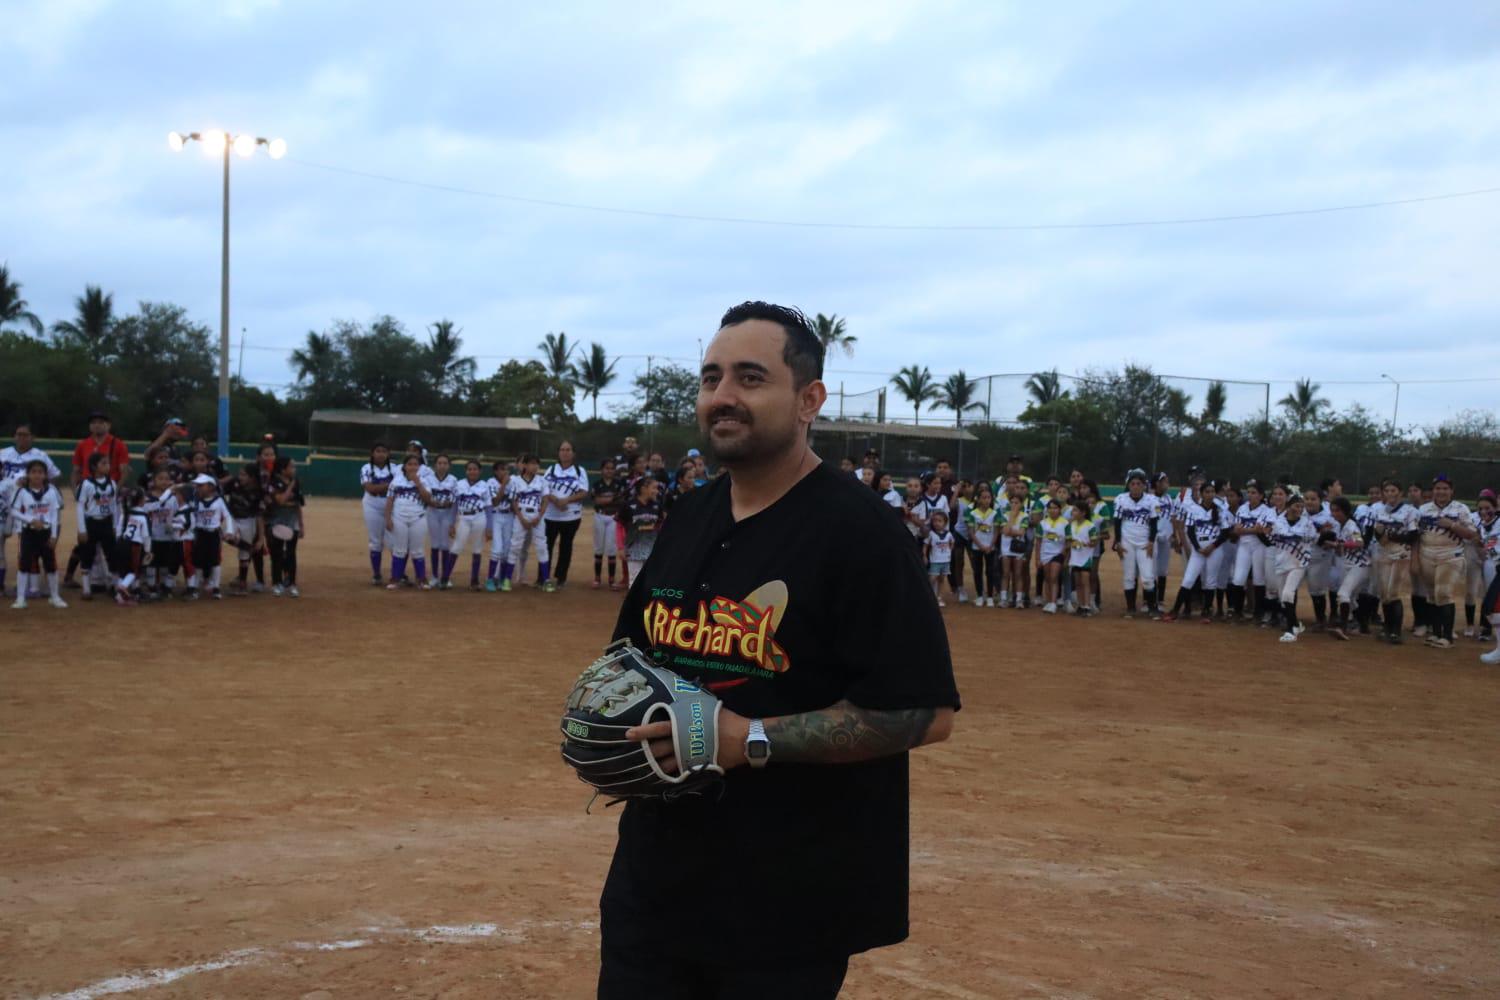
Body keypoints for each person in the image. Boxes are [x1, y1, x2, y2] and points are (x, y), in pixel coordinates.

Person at [599, 301, 957, 998]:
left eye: (750, 377)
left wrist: (747, 739)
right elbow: (634, 657)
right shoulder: (692, 514)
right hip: (654, 884)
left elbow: (923, 712)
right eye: (710, 378)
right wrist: (613, 722)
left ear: (808, 400)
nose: (722, 396)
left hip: (786, 902)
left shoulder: (860, 534)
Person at [1416, 474, 1475, 649]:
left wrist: (1452, 525)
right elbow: (1416, 535)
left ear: (1451, 491)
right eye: (1438, 488)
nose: (1441, 491)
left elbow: (1471, 534)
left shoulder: (1461, 509)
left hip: (1451, 555)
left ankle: (1448, 637)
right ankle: (1436, 633)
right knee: (1432, 595)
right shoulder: (1424, 509)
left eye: (1445, 488)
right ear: (1433, 491)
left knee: (1444, 593)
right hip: (1427, 555)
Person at [1163, 480, 1225, 623]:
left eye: (1212, 492)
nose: (1210, 494)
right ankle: (1175, 611)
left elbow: (1225, 532)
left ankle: (1206, 611)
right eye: (1207, 492)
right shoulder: (1194, 510)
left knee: (1210, 581)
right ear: (1201, 494)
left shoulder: (1220, 510)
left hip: (1214, 550)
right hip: (1199, 551)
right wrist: (1197, 548)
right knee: (1188, 579)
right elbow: (1190, 531)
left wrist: (1212, 546)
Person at [9, 459, 68, 609]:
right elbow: (13, 510)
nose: (37, 475)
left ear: (45, 475)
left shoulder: (51, 491)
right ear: (28, 474)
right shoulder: (22, 491)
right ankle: (21, 598)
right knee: (24, 564)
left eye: (40, 472)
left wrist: (54, 536)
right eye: (33, 472)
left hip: (46, 533)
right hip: (29, 532)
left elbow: (54, 514)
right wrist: (30, 519)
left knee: (51, 564)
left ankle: (55, 596)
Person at [1268, 491, 1317, 643]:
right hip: (1282, 563)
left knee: (1288, 594)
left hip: (1299, 563)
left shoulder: (1307, 523)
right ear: (1288, 507)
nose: (1300, 510)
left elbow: (1312, 538)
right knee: (1283, 598)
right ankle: (1296, 624)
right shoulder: (1277, 522)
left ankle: (1291, 631)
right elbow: (1273, 540)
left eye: (1302, 507)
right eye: (1297, 506)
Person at [1111, 468, 1161, 619]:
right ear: (1128, 485)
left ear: (1144, 485)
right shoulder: (1121, 499)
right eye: (1132, 483)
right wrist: (1118, 542)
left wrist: (1152, 541)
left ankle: (1152, 607)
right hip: (1127, 542)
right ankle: (1131, 608)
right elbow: (1117, 522)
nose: (1136, 486)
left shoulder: (1152, 500)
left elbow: (1154, 523)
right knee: (1129, 576)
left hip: (1145, 542)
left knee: (1147, 577)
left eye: (1139, 483)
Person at [542, 441, 590, 588]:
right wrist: (555, 500)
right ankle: (544, 576)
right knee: (547, 546)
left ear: (573, 453)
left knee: (566, 546)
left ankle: (561, 577)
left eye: (568, 450)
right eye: (562, 449)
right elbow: (543, 488)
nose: (565, 452)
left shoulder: (579, 470)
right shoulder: (551, 469)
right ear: (558, 453)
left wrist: (567, 500)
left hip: (571, 516)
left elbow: (584, 492)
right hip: (550, 515)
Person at [384, 454, 435, 591]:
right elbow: (389, 501)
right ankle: (395, 578)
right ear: (404, 467)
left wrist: (417, 483)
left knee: (417, 550)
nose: (413, 467)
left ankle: (421, 579)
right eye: (410, 464)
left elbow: (428, 499)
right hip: (399, 517)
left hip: (418, 518)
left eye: (415, 464)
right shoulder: (396, 481)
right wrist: (387, 518)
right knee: (399, 549)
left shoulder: (424, 480)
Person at [74, 452, 120, 601]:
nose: (108, 466)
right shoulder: (86, 484)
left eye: (108, 463)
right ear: (94, 466)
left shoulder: (112, 483)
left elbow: (114, 506)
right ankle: (87, 588)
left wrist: (115, 526)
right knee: (87, 554)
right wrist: (82, 529)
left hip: (106, 523)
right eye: (103, 463)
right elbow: (80, 506)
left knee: (112, 554)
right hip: (92, 523)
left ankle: (115, 586)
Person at [503, 453, 551, 591]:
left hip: (537, 516)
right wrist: (521, 518)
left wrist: (539, 517)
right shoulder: (516, 481)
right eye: (531, 463)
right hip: (521, 516)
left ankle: (546, 580)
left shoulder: (542, 481)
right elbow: (513, 501)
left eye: (537, 464)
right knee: (515, 546)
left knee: (542, 546)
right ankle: (507, 579)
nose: (535, 466)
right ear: (524, 465)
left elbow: (546, 500)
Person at [185, 473, 236, 600]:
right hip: (200, 533)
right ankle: (195, 588)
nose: (198, 488)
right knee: (198, 561)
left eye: (201, 485)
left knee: (215, 561)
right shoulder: (195, 501)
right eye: (197, 485)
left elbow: (228, 516)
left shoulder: (218, 500)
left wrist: (229, 530)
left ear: (211, 487)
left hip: (213, 534)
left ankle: (216, 588)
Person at [1329, 496, 1372, 640]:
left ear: (1346, 511)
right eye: (1332, 510)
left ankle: (1343, 627)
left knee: (1343, 594)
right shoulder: (1338, 525)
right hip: (1349, 564)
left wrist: (1341, 545)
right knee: (1351, 600)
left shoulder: (1351, 525)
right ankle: (1363, 626)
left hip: (1360, 565)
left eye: (1337, 510)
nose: (1334, 514)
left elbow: (1359, 543)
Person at [446, 460, 491, 591]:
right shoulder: (459, 484)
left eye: (475, 469)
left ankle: (474, 581)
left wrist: (489, 527)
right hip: (464, 518)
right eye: (470, 469)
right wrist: (451, 523)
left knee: (477, 549)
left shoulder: (484, 485)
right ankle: (445, 578)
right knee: (456, 547)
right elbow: (454, 506)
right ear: (466, 471)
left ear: (480, 471)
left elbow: (488, 507)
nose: (472, 471)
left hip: (479, 517)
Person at [264, 455, 305, 597]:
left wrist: (301, 525)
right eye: (291, 466)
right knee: (277, 554)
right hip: (276, 521)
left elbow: (298, 504)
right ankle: (277, 583)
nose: (294, 469)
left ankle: (292, 583)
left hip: (291, 522)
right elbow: (280, 500)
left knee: (291, 553)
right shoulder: (274, 482)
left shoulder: (296, 482)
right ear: (283, 469)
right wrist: (291, 486)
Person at [224, 463, 266, 596]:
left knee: (243, 555)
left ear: (252, 478)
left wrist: (260, 538)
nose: (239, 477)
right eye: (240, 474)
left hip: (248, 521)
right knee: (226, 536)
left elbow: (259, 516)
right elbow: (220, 492)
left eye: (243, 475)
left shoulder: (258, 492)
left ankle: (242, 584)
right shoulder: (234, 484)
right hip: (233, 519)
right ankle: (249, 547)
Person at [359, 443, 397, 585]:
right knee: (375, 541)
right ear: (372, 453)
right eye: (378, 451)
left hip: (392, 506)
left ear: (388, 453)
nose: (381, 454)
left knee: (394, 542)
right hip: (372, 505)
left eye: (384, 451)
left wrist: (380, 487)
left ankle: (397, 573)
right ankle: (376, 574)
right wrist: (389, 485)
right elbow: (370, 489)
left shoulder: (395, 468)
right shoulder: (366, 468)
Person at [109, 487, 150, 606]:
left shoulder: (125, 514)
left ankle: (119, 597)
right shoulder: (143, 516)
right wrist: (148, 551)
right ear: (141, 501)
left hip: (121, 543)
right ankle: (123, 587)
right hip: (135, 546)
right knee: (134, 571)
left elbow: (118, 530)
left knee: (123, 570)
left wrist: (118, 543)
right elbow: (146, 536)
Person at [619, 474, 663, 583]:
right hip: (634, 547)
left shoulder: (657, 506)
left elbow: (661, 526)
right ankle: (634, 600)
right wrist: (620, 547)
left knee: (651, 580)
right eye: (654, 488)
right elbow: (619, 526)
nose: (657, 491)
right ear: (643, 489)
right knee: (634, 580)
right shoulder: (628, 505)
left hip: (652, 548)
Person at [424, 454, 459, 590]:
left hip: (447, 513)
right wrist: (434, 502)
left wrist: (452, 520)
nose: (442, 465)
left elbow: (454, 499)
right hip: (432, 513)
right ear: (435, 465)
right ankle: (434, 576)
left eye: (445, 463)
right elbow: (426, 496)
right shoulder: (428, 479)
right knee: (434, 544)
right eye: (439, 463)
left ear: (449, 465)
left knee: (445, 545)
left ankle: (445, 576)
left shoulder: (453, 480)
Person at [590, 457, 624, 590]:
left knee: (611, 548)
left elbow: (620, 502)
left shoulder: (619, 484)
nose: (609, 471)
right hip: (600, 516)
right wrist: (611, 499)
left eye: (612, 468)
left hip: (613, 517)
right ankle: (597, 578)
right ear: (602, 470)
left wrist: (607, 500)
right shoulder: (597, 484)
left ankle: (611, 579)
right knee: (598, 548)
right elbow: (597, 501)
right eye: (606, 468)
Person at [964, 483, 1000, 607]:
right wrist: (980, 545)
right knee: (977, 571)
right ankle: (980, 595)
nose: (986, 500)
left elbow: (996, 531)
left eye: (988, 497)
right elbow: (971, 532)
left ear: (992, 499)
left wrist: (990, 545)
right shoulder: (972, 513)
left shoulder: (995, 513)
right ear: (978, 499)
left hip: (990, 547)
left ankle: (990, 596)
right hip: (976, 547)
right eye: (983, 497)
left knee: (990, 572)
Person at [484, 460, 515, 592]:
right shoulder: (490, 482)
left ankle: (502, 579)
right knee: (497, 549)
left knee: (507, 550)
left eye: (506, 469)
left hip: (509, 517)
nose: (504, 472)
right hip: (496, 516)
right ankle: (490, 579)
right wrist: (503, 485)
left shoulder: (513, 482)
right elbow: (495, 502)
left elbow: (513, 503)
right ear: (496, 471)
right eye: (501, 469)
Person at [1066, 495, 1097, 616]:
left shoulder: (1090, 525)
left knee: (1085, 581)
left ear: (1083, 513)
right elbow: (1068, 541)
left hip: (1085, 558)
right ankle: (1080, 605)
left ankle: (1087, 606)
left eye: (1075, 510)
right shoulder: (1071, 525)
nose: (1073, 512)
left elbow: (1094, 541)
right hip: (1075, 558)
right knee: (1078, 582)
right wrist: (1070, 545)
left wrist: (1089, 543)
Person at [1037, 497, 1069, 613]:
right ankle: (1049, 601)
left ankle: (1054, 603)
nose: (1052, 510)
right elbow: (1039, 542)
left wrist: (1064, 555)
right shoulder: (1042, 523)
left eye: (1055, 508)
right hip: (1045, 553)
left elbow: (1068, 541)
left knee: (1054, 577)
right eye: (1050, 508)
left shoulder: (1065, 523)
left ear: (1059, 510)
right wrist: (1038, 558)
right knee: (1047, 578)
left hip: (1058, 553)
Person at [924, 509, 956, 607]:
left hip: (945, 560)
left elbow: (952, 542)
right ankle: (928, 596)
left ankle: (939, 597)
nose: (936, 523)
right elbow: (925, 546)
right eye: (934, 521)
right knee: (932, 578)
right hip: (935, 560)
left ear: (945, 522)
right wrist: (924, 556)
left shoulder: (948, 534)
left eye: (939, 521)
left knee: (942, 579)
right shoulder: (931, 534)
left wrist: (949, 551)